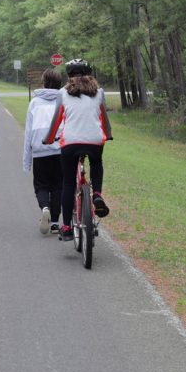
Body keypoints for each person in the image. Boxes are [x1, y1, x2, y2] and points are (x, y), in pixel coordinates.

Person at [42, 58, 113, 241]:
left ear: (69, 76)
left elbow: (57, 119)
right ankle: (96, 194)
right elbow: (104, 118)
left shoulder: (63, 93)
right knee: (96, 163)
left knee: (68, 183)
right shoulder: (99, 93)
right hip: (95, 140)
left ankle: (66, 227)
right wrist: (108, 134)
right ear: (89, 74)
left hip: (70, 143)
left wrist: (48, 139)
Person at [22, 69, 64, 235]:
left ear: (44, 82)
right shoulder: (63, 102)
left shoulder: (34, 103)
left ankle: (44, 207)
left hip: (40, 150)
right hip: (59, 148)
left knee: (41, 185)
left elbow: (28, 133)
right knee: (58, 186)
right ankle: (54, 223)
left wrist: (27, 161)